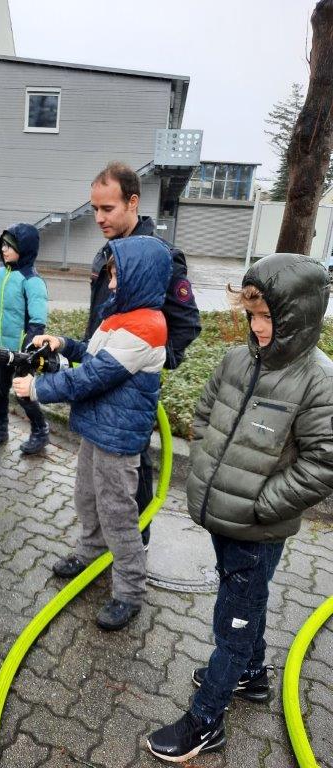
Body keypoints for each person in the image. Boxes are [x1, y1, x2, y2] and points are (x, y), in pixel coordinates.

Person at [147, 253, 333, 762]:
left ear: (299, 316)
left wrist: (261, 504)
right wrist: (208, 460)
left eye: (268, 316)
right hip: (221, 516)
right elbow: (205, 411)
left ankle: (207, 721)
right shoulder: (238, 359)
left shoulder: (318, 381)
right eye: (251, 315)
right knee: (247, 601)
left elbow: (324, 461)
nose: (257, 327)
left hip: (258, 527)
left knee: (233, 622)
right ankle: (251, 674)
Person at [13, 235, 172, 630]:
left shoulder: (148, 327)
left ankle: (129, 591)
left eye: (117, 276)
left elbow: (93, 376)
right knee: (86, 497)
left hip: (118, 439)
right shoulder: (119, 318)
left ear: (139, 277)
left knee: (118, 514)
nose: (112, 283)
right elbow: (91, 354)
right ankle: (89, 553)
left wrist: (37, 388)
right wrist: (62, 343)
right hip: (97, 429)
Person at [87, 162, 201, 549]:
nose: (99, 218)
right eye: (95, 209)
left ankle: (136, 545)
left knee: (132, 465)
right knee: (100, 469)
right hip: (100, 377)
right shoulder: (108, 252)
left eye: (108, 209)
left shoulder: (161, 256)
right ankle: (98, 545)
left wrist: (143, 363)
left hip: (129, 386)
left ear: (133, 202)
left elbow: (186, 325)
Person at [0, 224, 50, 454]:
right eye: (3, 244)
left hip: (22, 351)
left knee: (23, 393)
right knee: (0, 390)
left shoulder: (32, 281)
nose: (4, 249)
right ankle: (0, 430)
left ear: (25, 249)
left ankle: (40, 431)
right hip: (2, 347)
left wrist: (27, 351)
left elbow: (37, 322)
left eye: (10, 246)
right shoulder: (0, 274)